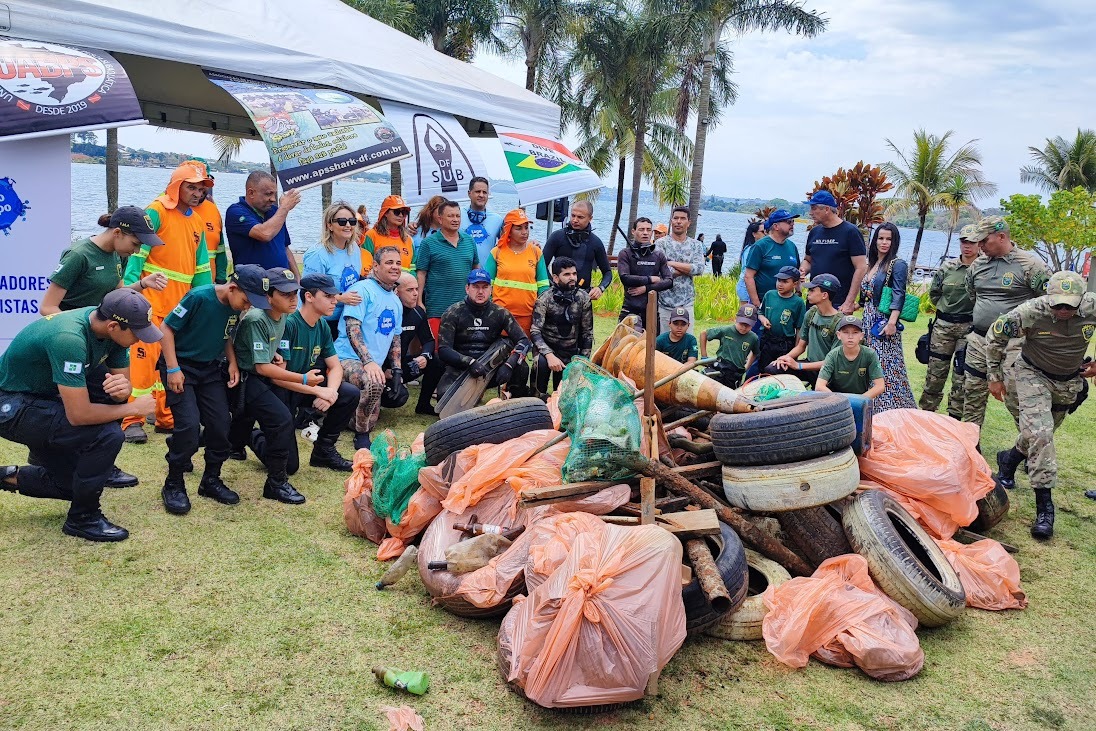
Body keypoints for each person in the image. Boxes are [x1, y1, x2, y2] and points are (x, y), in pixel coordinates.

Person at [0, 289, 160, 541]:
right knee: (107, 435)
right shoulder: (69, 338)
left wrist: (124, 390)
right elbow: (79, 415)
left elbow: (120, 388)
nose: (140, 340)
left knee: (69, 485)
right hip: (11, 405)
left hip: (44, 396)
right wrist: (132, 408)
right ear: (113, 326)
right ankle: (83, 519)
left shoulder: (111, 333)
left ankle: (12, 471)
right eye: (137, 333)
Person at [40, 207, 167, 488]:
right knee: (81, 406)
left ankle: (100, 462)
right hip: (72, 343)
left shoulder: (116, 256)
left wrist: (142, 284)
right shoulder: (79, 256)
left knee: (116, 394)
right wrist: (82, 329)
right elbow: (47, 308)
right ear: (117, 232)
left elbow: (116, 298)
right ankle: (61, 462)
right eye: (135, 244)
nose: (137, 251)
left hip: (103, 342)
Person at [986, 271, 1096, 539]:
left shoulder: (1093, 305)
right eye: (1057, 303)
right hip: (1032, 373)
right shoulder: (1030, 311)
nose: (1063, 310)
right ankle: (1045, 508)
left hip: (1068, 379)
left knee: (1038, 435)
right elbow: (994, 337)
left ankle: (1009, 459)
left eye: (1069, 305)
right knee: (1041, 435)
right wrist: (994, 377)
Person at [157, 265, 270, 515]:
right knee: (188, 426)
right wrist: (173, 369)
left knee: (221, 424)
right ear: (232, 288)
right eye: (247, 300)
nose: (248, 306)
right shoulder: (199, 297)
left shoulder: (235, 306)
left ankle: (211, 480)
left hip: (209, 369)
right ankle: (173, 483)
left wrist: (231, 362)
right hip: (181, 365)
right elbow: (166, 329)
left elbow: (226, 334)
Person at [121, 162, 215, 443]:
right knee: (142, 361)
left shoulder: (197, 220)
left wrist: (204, 301)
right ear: (177, 186)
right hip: (149, 301)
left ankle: (166, 417)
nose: (198, 194)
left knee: (169, 361)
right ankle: (132, 420)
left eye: (201, 189)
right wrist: (130, 293)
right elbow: (138, 254)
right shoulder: (157, 210)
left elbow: (201, 270)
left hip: (179, 306)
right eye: (192, 187)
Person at [229, 268, 314, 505]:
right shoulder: (257, 318)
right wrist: (304, 379)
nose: (292, 299)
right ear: (268, 297)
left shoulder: (284, 314)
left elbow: (272, 348)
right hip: (246, 379)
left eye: (295, 293)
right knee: (282, 419)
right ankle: (275, 484)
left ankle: (237, 442)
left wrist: (275, 353)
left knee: (237, 427)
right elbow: (261, 368)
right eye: (286, 294)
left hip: (262, 376)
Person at [961, 216, 1049, 429]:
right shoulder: (977, 265)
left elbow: (1047, 304)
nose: (979, 246)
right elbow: (973, 295)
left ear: (1001, 236)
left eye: (984, 241)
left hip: (1014, 345)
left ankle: (1028, 450)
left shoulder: (1031, 265)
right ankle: (971, 447)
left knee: (1017, 397)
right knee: (972, 394)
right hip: (979, 341)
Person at [266, 273, 359, 472]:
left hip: (306, 386)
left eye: (334, 296)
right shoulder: (289, 324)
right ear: (309, 297)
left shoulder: (322, 325)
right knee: (289, 467)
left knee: (349, 393)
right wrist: (318, 392)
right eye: (328, 296)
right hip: (283, 389)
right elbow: (276, 377)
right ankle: (254, 436)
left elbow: (335, 366)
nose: (335, 300)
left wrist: (331, 393)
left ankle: (323, 451)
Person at [412, 200, 479, 414]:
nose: (455, 219)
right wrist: (419, 300)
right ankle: (423, 403)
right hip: (436, 309)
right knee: (438, 357)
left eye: (458, 215)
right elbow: (421, 273)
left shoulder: (469, 241)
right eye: (450, 216)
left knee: (460, 355)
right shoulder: (429, 244)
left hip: (463, 311)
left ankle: (454, 402)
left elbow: (475, 270)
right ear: (440, 219)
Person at [335, 247, 403, 449]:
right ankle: (361, 436)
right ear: (375, 266)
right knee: (373, 383)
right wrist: (369, 362)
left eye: (398, 263)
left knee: (371, 417)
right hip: (345, 359)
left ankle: (337, 412)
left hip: (372, 364)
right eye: (389, 262)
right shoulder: (362, 289)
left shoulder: (396, 301)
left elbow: (395, 337)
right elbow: (352, 328)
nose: (395, 267)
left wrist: (397, 371)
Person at [436, 270, 531, 402]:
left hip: (491, 368)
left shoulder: (500, 313)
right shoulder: (453, 313)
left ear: (491, 290)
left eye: (485, 287)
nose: (480, 292)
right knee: (444, 399)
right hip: (461, 368)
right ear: (467, 288)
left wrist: (509, 364)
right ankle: (473, 393)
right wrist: (469, 362)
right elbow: (444, 350)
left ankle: (513, 402)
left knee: (522, 367)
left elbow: (524, 341)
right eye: (476, 287)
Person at [919, 225, 979, 418]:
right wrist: (947, 310)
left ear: (979, 244)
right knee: (935, 373)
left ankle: (954, 418)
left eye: (971, 242)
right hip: (943, 327)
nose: (967, 246)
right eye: (964, 242)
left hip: (969, 328)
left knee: (961, 375)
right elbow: (935, 294)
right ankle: (928, 414)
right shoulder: (948, 267)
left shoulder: (983, 269)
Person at [859, 222, 916, 412]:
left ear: (895, 242)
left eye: (889, 239)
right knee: (871, 363)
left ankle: (892, 409)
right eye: (881, 238)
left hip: (883, 321)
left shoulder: (897, 264)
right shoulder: (873, 263)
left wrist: (892, 322)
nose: (884, 243)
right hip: (868, 319)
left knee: (886, 365)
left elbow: (899, 293)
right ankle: (873, 406)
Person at [529, 256, 593, 396]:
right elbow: (535, 331)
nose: (572, 278)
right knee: (541, 365)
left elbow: (587, 333)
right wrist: (549, 355)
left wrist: (583, 360)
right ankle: (538, 397)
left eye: (574, 274)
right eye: (567, 274)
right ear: (556, 278)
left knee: (564, 395)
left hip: (570, 351)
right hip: (546, 350)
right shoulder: (544, 298)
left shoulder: (583, 298)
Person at [768, 273, 844, 386]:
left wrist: (799, 365)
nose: (808, 293)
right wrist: (785, 358)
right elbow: (801, 346)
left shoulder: (840, 323)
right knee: (773, 368)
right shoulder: (811, 313)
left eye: (812, 290)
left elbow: (832, 362)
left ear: (824, 295)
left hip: (828, 372)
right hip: (809, 365)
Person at [303, 202, 364, 340]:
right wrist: (341, 298)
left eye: (352, 221)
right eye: (342, 222)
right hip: (319, 321)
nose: (348, 225)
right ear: (329, 225)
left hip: (344, 319)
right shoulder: (317, 254)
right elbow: (307, 291)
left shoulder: (354, 249)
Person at [484, 208, 549, 336]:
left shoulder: (536, 252)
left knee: (523, 352)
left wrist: (541, 311)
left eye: (526, 227)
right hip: (500, 316)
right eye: (519, 228)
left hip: (527, 316)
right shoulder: (497, 252)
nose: (524, 232)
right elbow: (486, 284)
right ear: (508, 230)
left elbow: (543, 286)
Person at [802, 190, 868, 315]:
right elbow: (808, 260)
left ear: (826, 209)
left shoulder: (850, 232)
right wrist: (802, 270)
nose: (810, 213)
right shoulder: (814, 232)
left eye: (814, 208)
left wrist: (849, 301)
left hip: (839, 303)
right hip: (814, 300)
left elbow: (861, 267)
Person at [225, 171, 301, 276]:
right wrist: (284, 208)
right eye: (268, 194)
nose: (273, 199)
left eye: (274, 194)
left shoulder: (275, 212)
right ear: (251, 193)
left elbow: (284, 247)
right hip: (252, 284)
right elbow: (264, 234)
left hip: (281, 285)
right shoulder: (236, 212)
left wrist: (297, 278)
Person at [542, 201, 612, 299]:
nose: (575, 220)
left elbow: (607, 272)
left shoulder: (595, 242)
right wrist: (553, 285)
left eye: (580, 217)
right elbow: (542, 265)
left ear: (590, 218)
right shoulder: (557, 237)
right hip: (557, 296)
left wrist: (600, 288)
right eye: (573, 215)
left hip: (583, 297)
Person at [655, 207, 706, 333]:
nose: (678, 221)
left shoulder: (696, 245)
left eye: (682, 218)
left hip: (687, 302)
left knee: (686, 343)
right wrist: (688, 268)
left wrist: (671, 263)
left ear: (689, 222)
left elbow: (699, 268)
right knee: (665, 345)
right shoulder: (661, 243)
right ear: (671, 221)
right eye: (675, 218)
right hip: (665, 303)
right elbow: (661, 271)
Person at [616, 217, 673, 329]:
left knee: (651, 346)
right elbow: (625, 278)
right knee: (625, 345)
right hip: (630, 309)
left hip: (651, 311)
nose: (645, 233)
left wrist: (646, 288)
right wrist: (651, 279)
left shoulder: (658, 255)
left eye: (648, 230)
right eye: (641, 229)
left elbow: (669, 281)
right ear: (633, 231)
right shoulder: (625, 254)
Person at [816, 316, 886, 399]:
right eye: (845, 332)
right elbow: (819, 386)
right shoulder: (833, 355)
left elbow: (880, 386)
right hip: (835, 400)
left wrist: (860, 400)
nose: (850, 337)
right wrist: (839, 401)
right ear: (839, 335)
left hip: (860, 399)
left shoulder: (870, 354)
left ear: (861, 336)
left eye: (855, 332)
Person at [744, 210, 801, 309]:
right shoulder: (760, 246)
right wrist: (757, 304)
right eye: (788, 222)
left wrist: (798, 292)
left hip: (787, 303)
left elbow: (797, 273)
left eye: (793, 221)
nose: (792, 224)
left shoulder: (792, 246)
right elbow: (748, 276)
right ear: (776, 226)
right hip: (765, 303)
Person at [394, 272, 435, 404]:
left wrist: (424, 356)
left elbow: (429, 340)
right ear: (396, 292)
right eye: (409, 290)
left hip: (402, 366)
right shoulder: (386, 312)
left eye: (417, 289)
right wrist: (384, 371)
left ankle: (424, 405)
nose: (416, 293)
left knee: (437, 362)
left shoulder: (418, 312)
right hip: (382, 369)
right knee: (398, 397)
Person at [187, 160, 229, 283]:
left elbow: (220, 249)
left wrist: (221, 280)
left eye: (203, 183)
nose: (198, 191)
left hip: (206, 288)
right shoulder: (162, 207)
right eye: (193, 184)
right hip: (174, 289)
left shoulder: (212, 209)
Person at [758, 266, 806, 372]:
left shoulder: (798, 302)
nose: (780, 284)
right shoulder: (769, 295)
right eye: (779, 280)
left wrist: (795, 351)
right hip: (767, 340)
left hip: (785, 343)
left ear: (794, 283)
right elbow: (760, 312)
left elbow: (799, 328)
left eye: (785, 281)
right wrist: (763, 319)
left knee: (780, 371)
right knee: (763, 369)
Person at [701, 304, 760, 387]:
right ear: (736, 319)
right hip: (720, 367)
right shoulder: (726, 330)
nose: (743, 327)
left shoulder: (753, 338)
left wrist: (747, 366)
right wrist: (704, 357)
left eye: (747, 325)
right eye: (741, 323)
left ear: (753, 324)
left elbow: (755, 353)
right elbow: (704, 333)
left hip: (735, 373)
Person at [362, 195, 415, 274]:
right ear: (385, 213)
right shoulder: (371, 235)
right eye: (396, 212)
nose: (401, 215)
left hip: (405, 284)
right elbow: (366, 267)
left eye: (404, 212)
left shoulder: (408, 240)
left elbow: (413, 267)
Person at [463, 177, 505, 266]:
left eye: (484, 192)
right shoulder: (458, 215)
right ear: (469, 193)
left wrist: (531, 243)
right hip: (460, 274)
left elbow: (509, 244)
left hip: (486, 276)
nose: (481, 195)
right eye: (478, 191)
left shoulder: (497, 220)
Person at [735, 221, 766, 303]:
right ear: (754, 234)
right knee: (746, 312)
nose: (765, 234)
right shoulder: (750, 249)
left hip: (749, 284)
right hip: (745, 285)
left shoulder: (753, 248)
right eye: (762, 232)